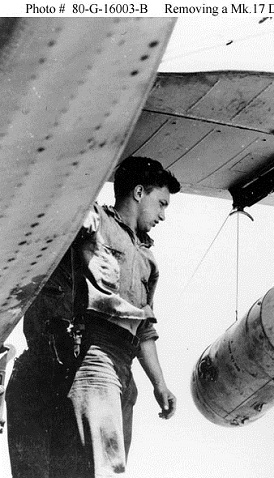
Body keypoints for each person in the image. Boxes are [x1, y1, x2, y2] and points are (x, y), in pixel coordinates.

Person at [6, 156, 180, 477]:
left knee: (108, 467)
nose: (163, 215)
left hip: (124, 369)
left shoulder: (148, 261)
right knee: (101, 467)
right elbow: (71, 230)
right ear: (139, 193)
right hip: (95, 357)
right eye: (161, 204)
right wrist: (86, 242)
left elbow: (144, 329)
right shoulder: (96, 220)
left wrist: (160, 384)